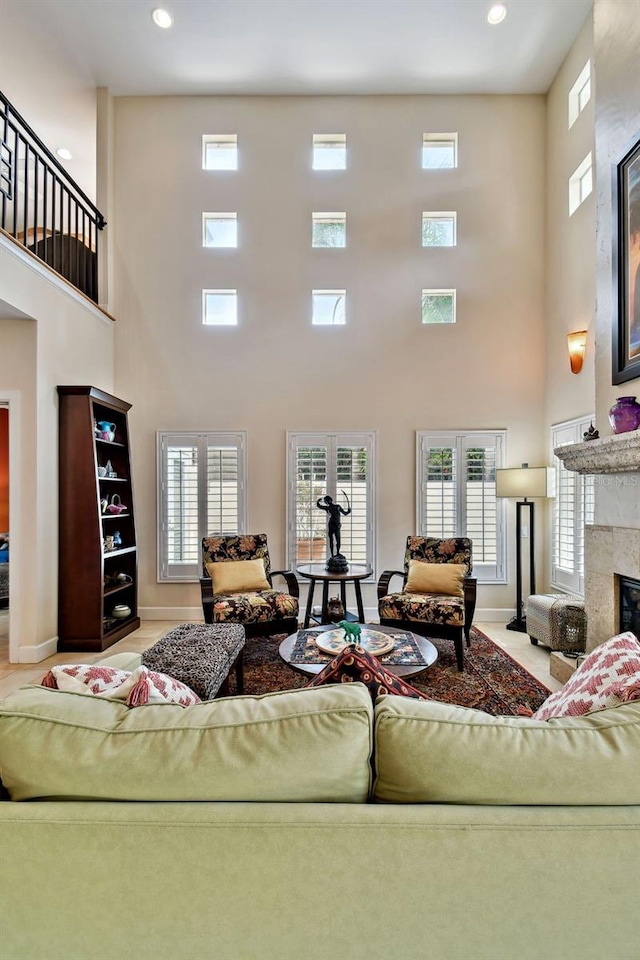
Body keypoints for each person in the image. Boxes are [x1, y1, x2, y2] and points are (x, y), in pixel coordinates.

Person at [316, 492, 351, 557]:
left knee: (334, 540)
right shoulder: (335, 507)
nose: (327, 502)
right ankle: (335, 554)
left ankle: (335, 554)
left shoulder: (330, 507)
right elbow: (345, 513)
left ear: (327, 502)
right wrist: (348, 511)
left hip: (334, 525)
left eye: (326, 501)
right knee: (336, 540)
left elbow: (319, 506)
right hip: (335, 525)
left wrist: (318, 501)